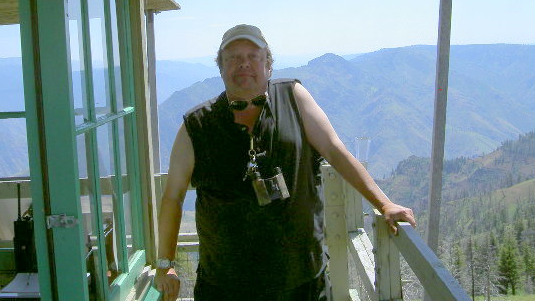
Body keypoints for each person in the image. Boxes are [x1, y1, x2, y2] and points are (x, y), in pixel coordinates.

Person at [154, 24, 416, 301]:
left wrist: (383, 203)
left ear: (268, 65)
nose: (243, 63)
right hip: (225, 287)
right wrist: (165, 264)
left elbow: (336, 151)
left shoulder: (294, 97)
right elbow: (172, 196)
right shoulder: (196, 125)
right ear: (220, 67)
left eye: (253, 56)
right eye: (232, 57)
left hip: (303, 283)